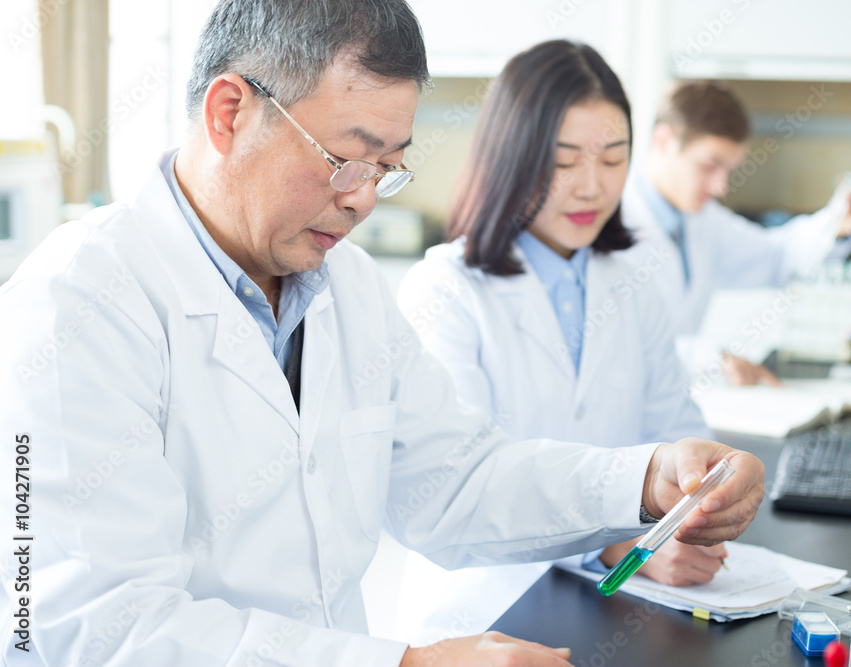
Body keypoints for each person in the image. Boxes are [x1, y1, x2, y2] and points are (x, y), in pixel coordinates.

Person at [0, 2, 765, 666]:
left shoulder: (350, 289)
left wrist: (642, 477)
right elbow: (93, 627)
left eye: (387, 167)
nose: (363, 198)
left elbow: (456, 481)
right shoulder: (79, 302)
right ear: (228, 112)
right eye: (344, 160)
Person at [393, 40, 729, 640]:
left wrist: (692, 513)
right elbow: (461, 491)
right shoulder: (444, 291)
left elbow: (675, 428)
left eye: (612, 158)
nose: (592, 187)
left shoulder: (636, 284)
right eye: (565, 159)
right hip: (480, 614)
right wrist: (612, 543)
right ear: (512, 157)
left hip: (621, 607)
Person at [621, 80, 851, 386]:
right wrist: (711, 357)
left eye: (729, 170)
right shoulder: (610, 221)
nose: (721, 186)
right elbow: (622, 348)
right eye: (710, 165)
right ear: (664, 141)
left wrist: (836, 225)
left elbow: (775, 256)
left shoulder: (703, 221)